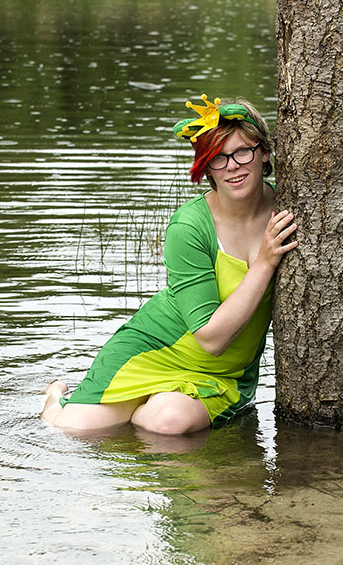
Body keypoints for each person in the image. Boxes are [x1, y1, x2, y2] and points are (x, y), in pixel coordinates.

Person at [42, 94, 297, 435]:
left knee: (169, 422)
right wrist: (265, 262)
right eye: (218, 157)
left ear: (264, 152)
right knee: (72, 431)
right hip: (150, 352)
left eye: (242, 152)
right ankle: (54, 397)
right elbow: (210, 338)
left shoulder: (293, 205)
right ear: (206, 166)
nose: (232, 166)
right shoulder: (188, 226)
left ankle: (150, 408)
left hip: (223, 373)